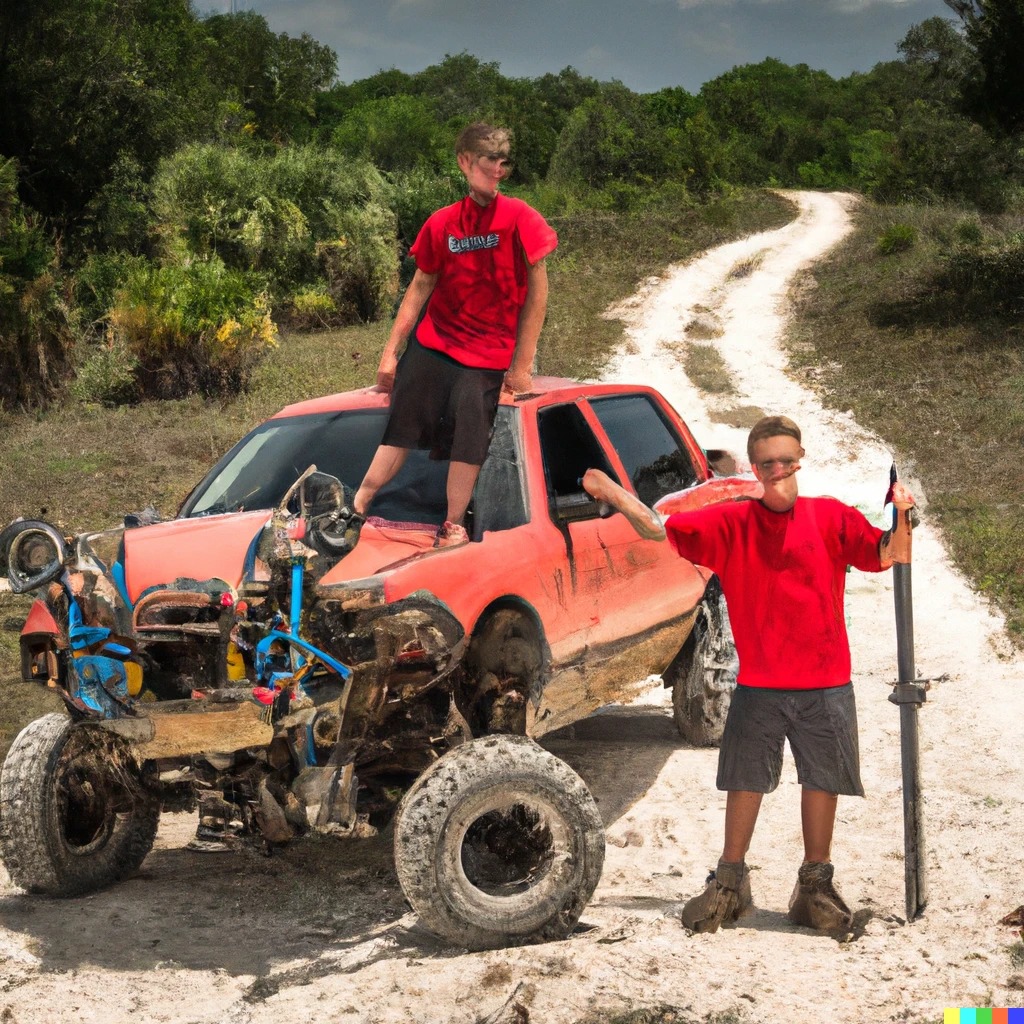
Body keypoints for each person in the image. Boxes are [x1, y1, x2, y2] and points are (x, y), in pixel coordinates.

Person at [582, 415, 915, 934]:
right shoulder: (733, 524)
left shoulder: (831, 518)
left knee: (822, 780)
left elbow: (888, 553)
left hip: (825, 681)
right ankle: (730, 884)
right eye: (766, 462)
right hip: (759, 682)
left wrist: (903, 517)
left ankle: (815, 887)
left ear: (799, 457)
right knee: (744, 780)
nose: (777, 469)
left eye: (785, 459)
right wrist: (614, 493)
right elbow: (659, 528)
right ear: (754, 467)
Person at [347, 122, 557, 549]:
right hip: (435, 342)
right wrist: (390, 354)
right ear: (464, 162)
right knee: (402, 423)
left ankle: (452, 524)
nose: (497, 171)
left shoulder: (521, 218)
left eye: (504, 162)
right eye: (488, 161)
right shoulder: (442, 223)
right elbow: (420, 287)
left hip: (489, 354)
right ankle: (355, 507)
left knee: (470, 428)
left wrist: (522, 365)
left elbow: (538, 295)